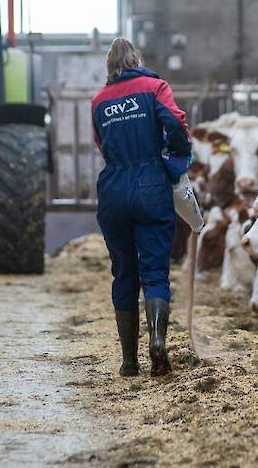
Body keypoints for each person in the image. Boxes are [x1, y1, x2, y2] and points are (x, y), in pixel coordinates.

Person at [90, 38, 191, 377]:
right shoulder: (155, 87)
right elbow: (176, 125)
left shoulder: (99, 100)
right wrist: (176, 158)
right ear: (136, 59)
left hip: (114, 187)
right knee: (155, 272)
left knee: (123, 272)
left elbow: (100, 144)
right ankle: (158, 342)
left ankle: (128, 361)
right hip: (150, 183)